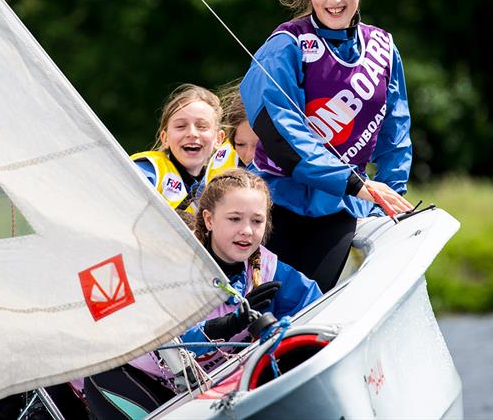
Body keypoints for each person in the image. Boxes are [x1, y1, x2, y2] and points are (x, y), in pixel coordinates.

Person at [240, 0, 414, 293]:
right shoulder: (285, 46)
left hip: (337, 213)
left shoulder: (383, 48)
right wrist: (356, 183)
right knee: (261, 312)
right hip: (272, 209)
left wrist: (387, 200)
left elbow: (394, 136)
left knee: (307, 307)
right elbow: (283, 134)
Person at [84, 169, 321, 418]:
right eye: (234, 219)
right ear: (209, 220)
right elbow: (161, 346)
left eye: (256, 221)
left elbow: (318, 307)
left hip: (212, 386)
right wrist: (223, 326)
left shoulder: (271, 270)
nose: (247, 231)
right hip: (145, 380)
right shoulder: (174, 268)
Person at [132, 84, 224, 213]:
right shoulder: (149, 171)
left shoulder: (220, 188)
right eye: (181, 126)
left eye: (202, 126)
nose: (192, 133)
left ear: (219, 139)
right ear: (165, 138)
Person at [205, 81, 260, 181]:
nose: (249, 156)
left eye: (259, 145)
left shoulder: (294, 174)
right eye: (240, 144)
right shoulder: (221, 164)